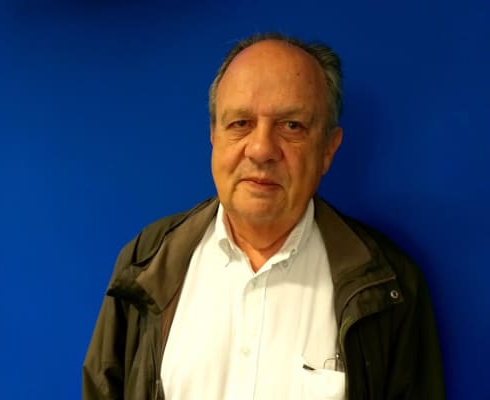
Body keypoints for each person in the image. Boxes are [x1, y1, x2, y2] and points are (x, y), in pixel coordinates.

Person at [82, 33, 444, 400]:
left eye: (292, 126)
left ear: (328, 149)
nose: (261, 149)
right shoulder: (145, 261)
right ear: (213, 135)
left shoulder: (388, 286)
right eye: (240, 123)